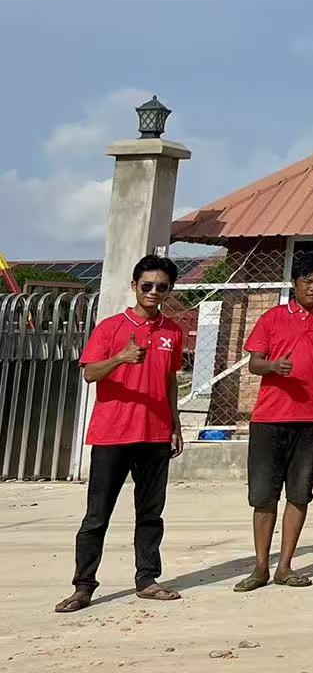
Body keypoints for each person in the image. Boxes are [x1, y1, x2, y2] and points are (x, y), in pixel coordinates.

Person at [57, 254, 186, 612]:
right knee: (96, 516)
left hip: (155, 434)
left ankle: (147, 579)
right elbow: (89, 373)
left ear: (169, 290)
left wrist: (174, 423)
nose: (154, 292)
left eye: (162, 287)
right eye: (147, 285)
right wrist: (120, 358)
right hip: (112, 434)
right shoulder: (111, 327)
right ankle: (83, 587)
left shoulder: (173, 331)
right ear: (134, 286)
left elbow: (170, 379)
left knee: (150, 513)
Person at [236, 251, 313, 591]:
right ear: (294, 283)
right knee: (263, 495)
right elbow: (254, 363)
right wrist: (273, 367)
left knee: (300, 493)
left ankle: (285, 566)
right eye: (308, 281)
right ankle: (260, 566)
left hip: (312, 421)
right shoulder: (272, 318)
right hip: (269, 419)